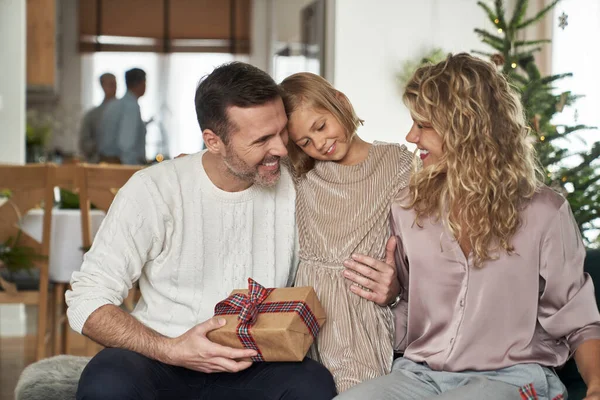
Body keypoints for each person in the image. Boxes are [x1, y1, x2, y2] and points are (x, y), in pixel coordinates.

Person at [336, 53, 600, 400]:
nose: (410, 135)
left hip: (514, 377)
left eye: (423, 124)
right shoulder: (407, 208)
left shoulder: (545, 213)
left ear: (465, 127)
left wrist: (596, 387)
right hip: (421, 375)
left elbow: (578, 321)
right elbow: (408, 306)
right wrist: (391, 294)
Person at [66, 62, 337, 400]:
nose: (282, 149)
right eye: (262, 140)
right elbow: (86, 300)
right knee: (106, 381)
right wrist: (170, 349)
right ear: (213, 141)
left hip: (258, 359)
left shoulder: (298, 183)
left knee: (313, 385)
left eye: (281, 131)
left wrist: (391, 281)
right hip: (162, 356)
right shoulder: (155, 189)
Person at [280, 72, 412, 392]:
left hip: (360, 309)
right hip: (306, 312)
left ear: (341, 102)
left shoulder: (397, 163)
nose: (320, 144)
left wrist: (398, 286)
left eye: (321, 126)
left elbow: (419, 247)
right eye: (305, 142)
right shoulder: (299, 173)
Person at [98, 68, 149, 165]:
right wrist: (134, 171)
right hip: (121, 166)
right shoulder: (131, 106)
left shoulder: (114, 104)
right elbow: (126, 145)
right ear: (141, 84)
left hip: (107, 163)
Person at [79, 73, 116, 162]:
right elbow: (84, 143)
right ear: (102, 86)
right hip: (98, 163)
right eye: (110, 85)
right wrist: (100, 145)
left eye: (115, 84)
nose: (114, 88)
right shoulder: (92, 115)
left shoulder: (125, 111)